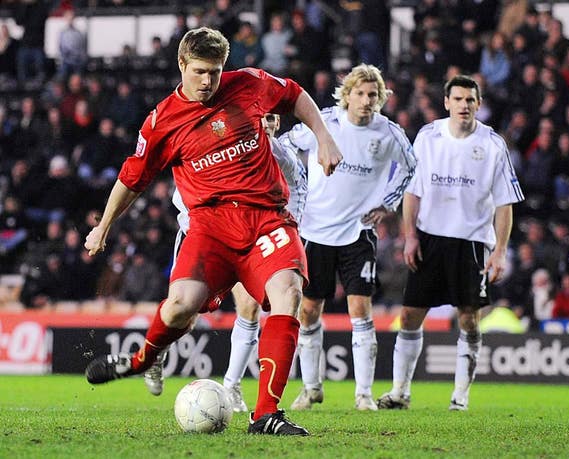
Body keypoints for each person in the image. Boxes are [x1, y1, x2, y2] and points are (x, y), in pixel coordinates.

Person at [83, 27, 342, 436]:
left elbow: (294, 95)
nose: (208, 81)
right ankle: (143, 361)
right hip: (210, 228)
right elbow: (132, 179)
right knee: (179, 307)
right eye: (200, 72)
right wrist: (103, 225)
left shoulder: (249, 84)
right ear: (182, 65)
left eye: (216, 72)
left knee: (288, 294)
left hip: (266, 219)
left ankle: (265, 414)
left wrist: (324, 138)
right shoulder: (161, 122)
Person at [376, 75, 524, 411]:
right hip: (429, 238)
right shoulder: (428, 137)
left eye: (470, 100)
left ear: (478, 104)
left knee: (470, 318)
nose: (464, 105)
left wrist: (499, 250)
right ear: (446, 102)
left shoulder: (492, 144)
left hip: (470, 242)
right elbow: (413, 192)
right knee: (411, 314)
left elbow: (505, 204)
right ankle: (400, 391)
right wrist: (410, 235)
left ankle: (460, 396)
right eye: (457, 99)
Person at [145, 113, 308, 414]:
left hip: (257, 237)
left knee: (250, 306)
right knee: (186, 312)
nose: (268, 123)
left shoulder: (283, 157)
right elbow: (183, 191)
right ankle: (157, 353)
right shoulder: (221, 143)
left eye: (273, 118)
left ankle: (232, 385)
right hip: (205, 234)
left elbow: (299, 190)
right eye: (263, 117)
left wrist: (288, 232)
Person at [282, 64, 416, 411]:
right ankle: (311, 388)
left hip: (359, 233)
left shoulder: (388, 132)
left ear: (381, 97)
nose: (367, 100)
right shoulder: (323, 122)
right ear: (347, 94)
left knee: (361, 308)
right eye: (360, 93)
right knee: (309, 309)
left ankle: (364, 395)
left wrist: (388, 203)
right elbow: (283, 146)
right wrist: (298, 185)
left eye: (373, 95)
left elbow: (411, 166)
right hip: (315, 230)